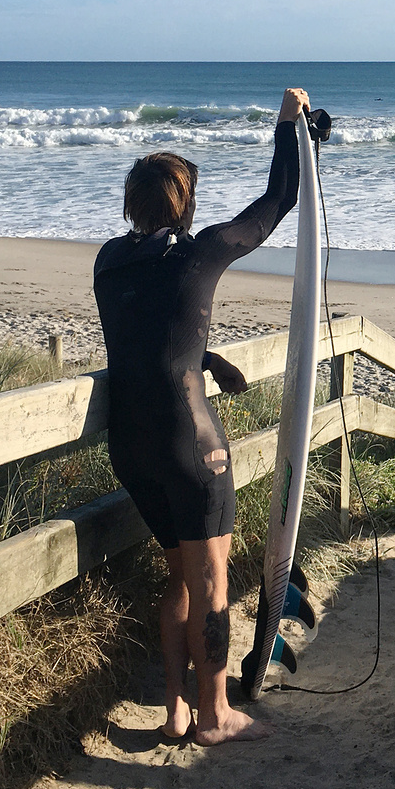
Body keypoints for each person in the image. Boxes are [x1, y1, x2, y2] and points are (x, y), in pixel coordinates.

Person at [94, 87, 311, 745]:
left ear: (132, 205)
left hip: (131, 447)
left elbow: (150, 334)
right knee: (211, 581)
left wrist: (208, 359)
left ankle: (175, 710)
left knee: (179, 579)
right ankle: (215, 718)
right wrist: (286, 124)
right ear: (185, 205)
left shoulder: (108, 261)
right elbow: (277, 205)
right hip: (191, 446)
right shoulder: (198, 252)